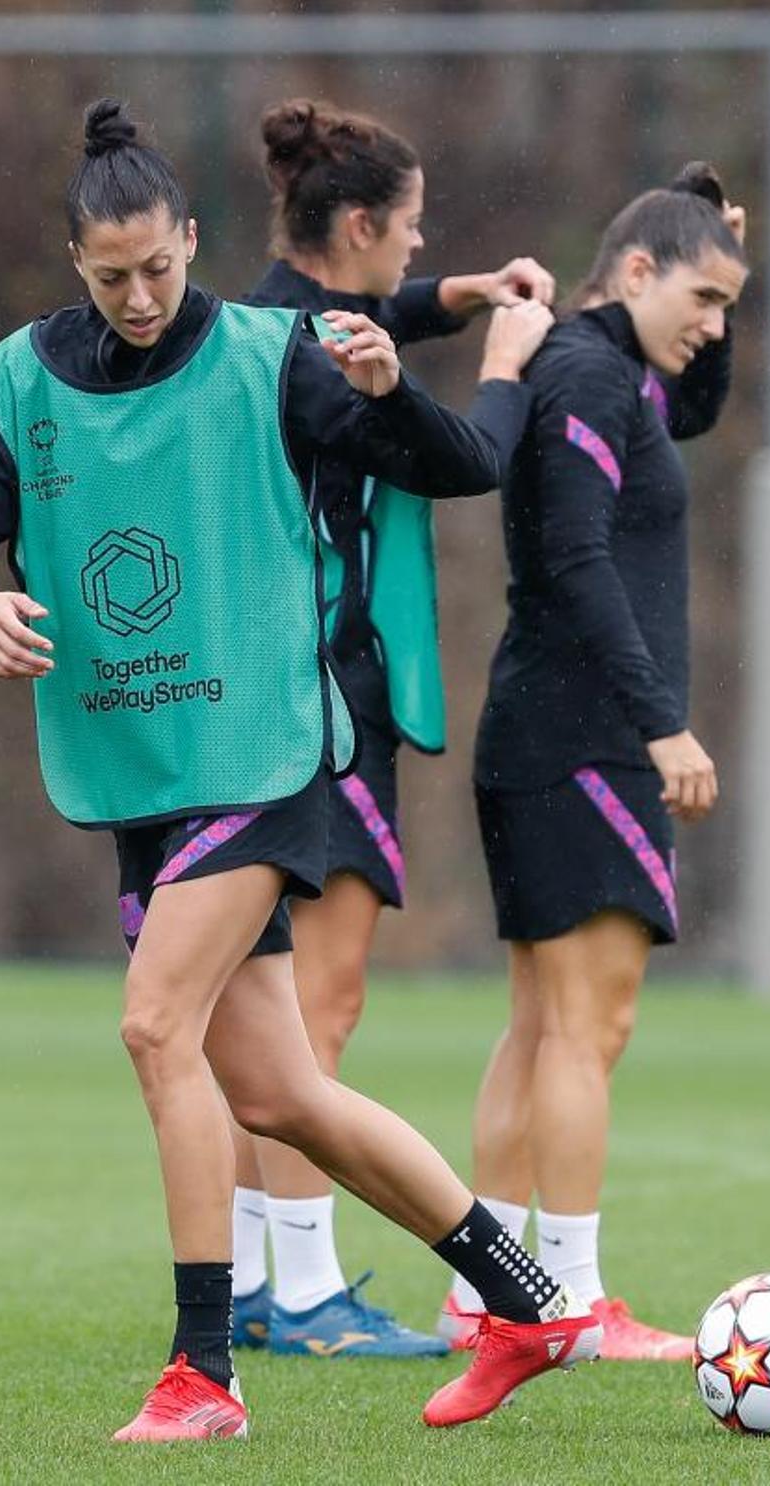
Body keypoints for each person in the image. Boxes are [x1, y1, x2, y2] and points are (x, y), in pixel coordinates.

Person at [0, 97, 595, 1440]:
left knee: (152, 1024)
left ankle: (201, 1374)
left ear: (189, 236)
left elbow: (461, 466)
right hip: (144, 772)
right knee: (282, 1092)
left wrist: (397, 391)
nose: (139, 295)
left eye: (160, 266)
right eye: (110, 276)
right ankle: (524, 1304)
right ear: (76, 262)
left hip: (269, 755)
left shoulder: (272, 357)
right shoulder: (19, 385)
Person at [227, 96, 557, 1361]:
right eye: (411, 231)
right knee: (319, 1008)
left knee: (277, 1014)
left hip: (270, 703)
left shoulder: (260, 321)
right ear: (357, 221)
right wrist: (508, 364)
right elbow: (467, 454)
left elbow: (341, 325)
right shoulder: (315, 354)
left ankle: (269, 1276)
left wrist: (452, 298)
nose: (419, 250)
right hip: (328, 711)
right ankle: (307, 1295)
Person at [436, 165, 748, 1363]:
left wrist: (713, 264)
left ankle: (493, 1295)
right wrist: (659, 720)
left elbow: (700, 404)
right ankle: (566, 1301)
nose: (714, 326)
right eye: (706, 296)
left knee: (541, 1027)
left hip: (556, 737)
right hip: (579, 743)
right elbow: (571, 559)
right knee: (583, 1028)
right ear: (634, 272)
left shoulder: (621, 377)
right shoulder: (581, 372)